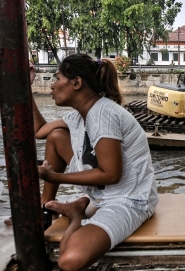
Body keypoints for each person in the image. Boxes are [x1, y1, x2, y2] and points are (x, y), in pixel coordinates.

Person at [31, 54, 158, 271]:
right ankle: (46, 207)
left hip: (128, 201)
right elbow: (40, 131)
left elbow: (111, 174)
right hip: (102, 196)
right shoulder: (81, 114)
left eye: (57, 78)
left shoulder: (103, 114)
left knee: (69, 260)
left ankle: (75, 214)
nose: (51, 85)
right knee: (56, 136)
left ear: (77, 83)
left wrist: (55, 176)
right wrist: (25, 87)